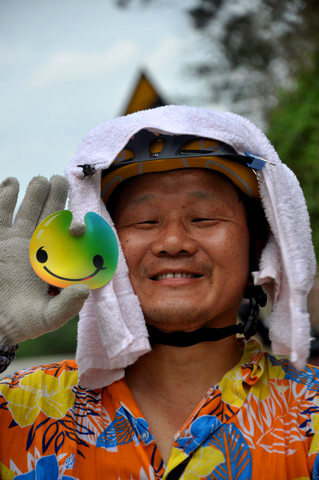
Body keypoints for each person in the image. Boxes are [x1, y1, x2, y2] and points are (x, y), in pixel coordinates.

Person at [0, 105, 317, 479]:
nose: (173, 242)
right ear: (106, 247)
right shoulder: (24, 405)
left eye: (203, 218)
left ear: (260, 244)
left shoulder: (310, 413)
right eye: (144, 221)